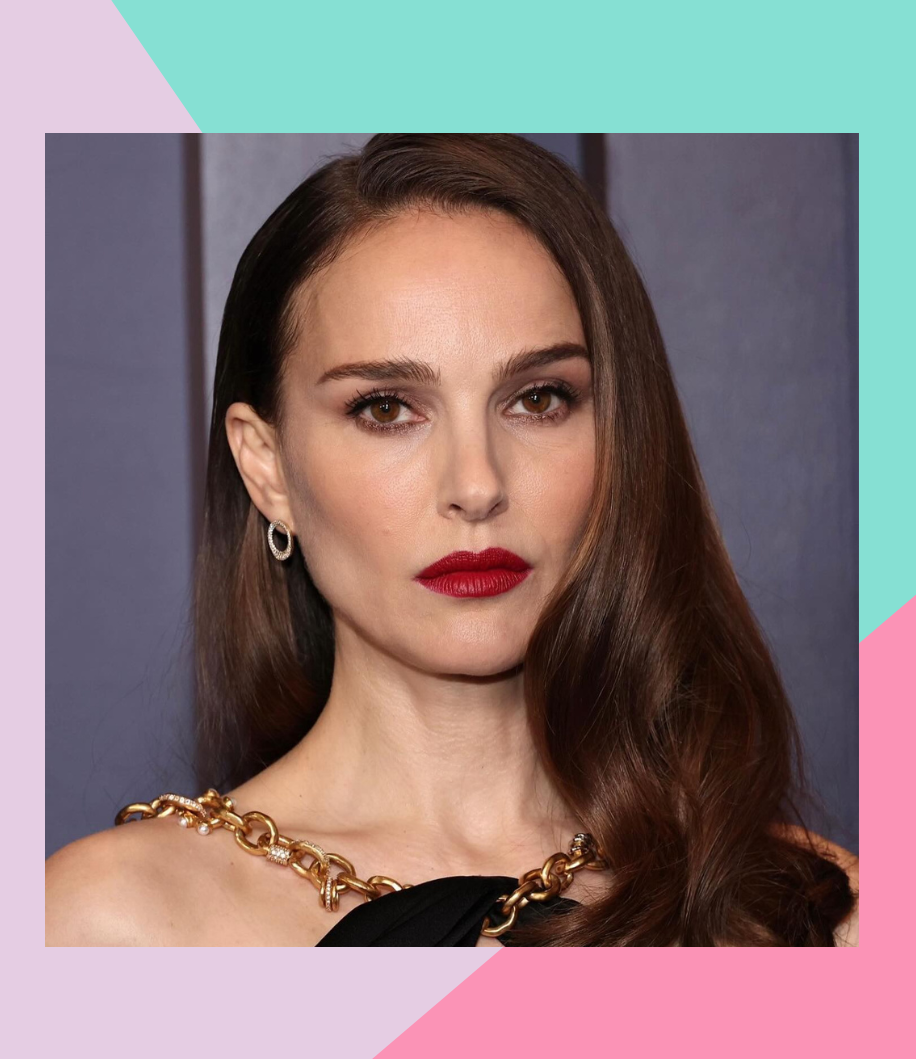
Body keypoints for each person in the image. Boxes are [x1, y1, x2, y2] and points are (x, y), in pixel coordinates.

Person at [45, 133, 857, 947]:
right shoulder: (109, 927)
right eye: (386, 409)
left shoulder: (810, 915)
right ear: (268, 469)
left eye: (538, 399)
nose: (476, 484)